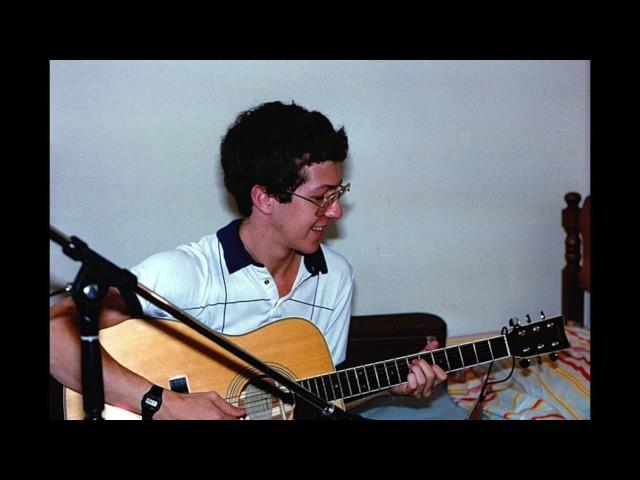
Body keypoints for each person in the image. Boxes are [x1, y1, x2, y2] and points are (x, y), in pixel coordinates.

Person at [50, 100, 448, 420]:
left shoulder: (335, 278)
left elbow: (313, 402)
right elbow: (54, 337)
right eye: (322, 197)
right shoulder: (185, 273)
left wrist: (390, 387)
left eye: (338, 191)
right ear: (265, 198)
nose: (337, 211)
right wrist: (163, 403)